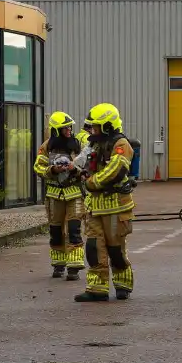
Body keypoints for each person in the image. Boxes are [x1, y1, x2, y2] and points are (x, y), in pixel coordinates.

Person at [74, 103, 137, 302]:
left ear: (108, 126)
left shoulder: (121, 144)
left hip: (116, 206)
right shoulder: (95, 143)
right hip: (95, 207)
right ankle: (97, 289)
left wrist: (92, 182)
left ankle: (122, 285)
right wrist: (76, 169)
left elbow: (116, 170)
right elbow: (82, 161)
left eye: (96, 126)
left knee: (115, 249)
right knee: (93, 248)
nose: (92, 130)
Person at [33, 111, 86, 280]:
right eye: (65, 128)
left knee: (74, 230)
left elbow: (87, 167)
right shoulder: (46, 146)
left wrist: (74, 169)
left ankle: (74, 267)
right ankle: (58, 265)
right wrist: (52, 170)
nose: (69, 130)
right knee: (55, 231)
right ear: (56, 130)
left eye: (70, 127)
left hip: (75, 193)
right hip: (54, 196)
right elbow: (38, 167)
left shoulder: (78, 145)